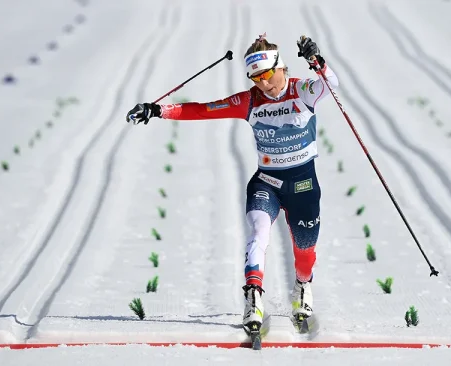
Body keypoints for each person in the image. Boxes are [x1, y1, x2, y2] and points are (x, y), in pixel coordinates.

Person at [125, 34, 339, 332]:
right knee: (258, 233)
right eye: (255, 77)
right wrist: (158, 110)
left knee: (305, 252)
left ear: (280, 66)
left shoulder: (301, 90)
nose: (262, 83)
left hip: (303, 185)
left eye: (266, 75)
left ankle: (302, 286)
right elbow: (203, 109)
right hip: (267, 182)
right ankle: (253, 296)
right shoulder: (249, 100)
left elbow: (331, 84)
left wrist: (317, 62)